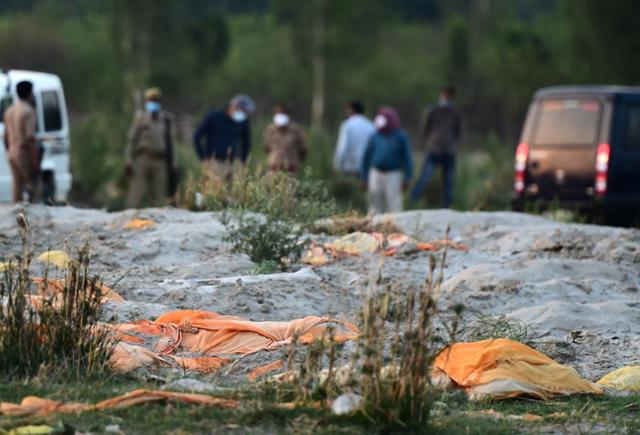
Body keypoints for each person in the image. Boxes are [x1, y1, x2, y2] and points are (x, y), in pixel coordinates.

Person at [410, 85, 463, 208]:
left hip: (449, 150)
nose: (446, 98)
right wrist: (424, 143)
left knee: (449, 182)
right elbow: (425, 129)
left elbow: (459, 131)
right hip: (434, 149)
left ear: (453, 97)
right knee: (424, 178)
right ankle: (412, 202)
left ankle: (447, 207)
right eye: (444, 95)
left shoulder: (456, 113)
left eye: (448, 96)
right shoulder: (433, 111)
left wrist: (455, 144)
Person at [125, 87, 177, 208]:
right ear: (147, 101)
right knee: (136, 194)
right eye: (151, 100)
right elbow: (132, 140)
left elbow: (172, 142)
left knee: (159, 197)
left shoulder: (167, 119)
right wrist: (128, 160)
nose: (153, 103)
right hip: (143, 158)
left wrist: (174, 163)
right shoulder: (140, 118)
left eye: (155, 100)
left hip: (160, 160)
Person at [361, 106, 413, 214]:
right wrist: (364, 177)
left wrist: (407, 178)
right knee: (375, 206)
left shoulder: (400, 136)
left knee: (394, 206)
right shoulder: (375, 136)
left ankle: (393, 228)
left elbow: (407, 158)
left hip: (393, 174)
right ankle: (374, 229)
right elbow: (366, 158)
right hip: (375, 174)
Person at [193, 94, 254, 186]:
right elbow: (197, 137)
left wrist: (243, 161)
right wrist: (203, 157)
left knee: (234, 194)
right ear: (232, 106)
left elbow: (246, 142)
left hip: (234, 164)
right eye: (242, 111)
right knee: (214, 192)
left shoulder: (243, 122)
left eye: (245, 112)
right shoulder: (213, 117)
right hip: (215, 162)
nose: (243, 114)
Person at [3, 80, 38, 203]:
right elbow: (30, 138)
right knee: (32, 185)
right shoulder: (28, 111)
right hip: (23, 151)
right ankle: (35, 217)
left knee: (16, 186)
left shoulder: (10, 110)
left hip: (12, 150)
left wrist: (10, 150)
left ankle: (17, 217)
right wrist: (35, 160)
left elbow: (5, 135)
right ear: (29, 93)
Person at [333, 100, 375, 176]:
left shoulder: (347, 125)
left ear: (353, 110)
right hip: (367, 167)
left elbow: (342, 147)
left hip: (350, 167)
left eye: (348, 108)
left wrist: (337, 166)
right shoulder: (371, 126)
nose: (346, 111)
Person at [262, 103, 307, 174]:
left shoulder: (296, 130)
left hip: (291, 165)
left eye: (283, 113)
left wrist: (297, 160)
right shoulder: (270, 130)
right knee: (273, 184)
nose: (280, 116)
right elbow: (266, 148)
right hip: (274, 165)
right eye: (278, 113)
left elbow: (303, 150)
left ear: (288, 115)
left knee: (290, 184)